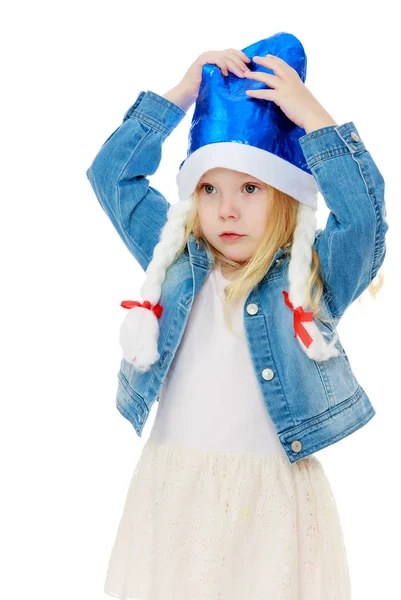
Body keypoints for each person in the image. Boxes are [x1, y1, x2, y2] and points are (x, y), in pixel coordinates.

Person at [86, 32, 388, 600]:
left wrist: (314, 118)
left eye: (250, 187)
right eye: (209, 188)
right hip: (173, 494)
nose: (227, 209)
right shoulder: (174, 256)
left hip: (269, 504)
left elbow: (365, 223)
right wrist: (180, 92)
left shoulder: (308, 279)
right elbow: (111, 176)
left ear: (284, 194)